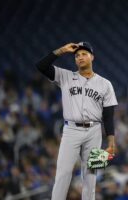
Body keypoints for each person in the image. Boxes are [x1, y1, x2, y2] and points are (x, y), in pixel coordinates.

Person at [36, 42, 118, 200]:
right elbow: (41, 66)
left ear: (92, 57)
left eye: (84, 54)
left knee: (90, 175)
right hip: (71, 130)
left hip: (94, 131)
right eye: (77, 55)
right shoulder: (66, 76)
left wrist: (111, 142)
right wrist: (62, 51)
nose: (80, 57)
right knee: (63, 173)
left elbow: (108, 115)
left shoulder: (105, 84)